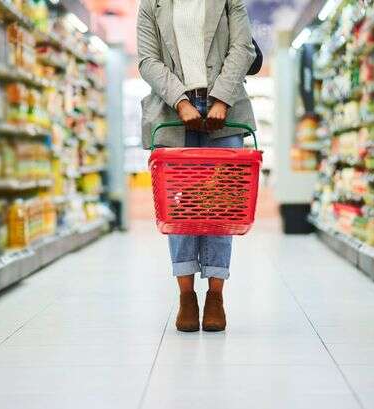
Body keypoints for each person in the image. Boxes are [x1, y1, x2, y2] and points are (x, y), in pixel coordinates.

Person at [137, 0, 257, 332]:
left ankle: (216, 295)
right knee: (181, 210)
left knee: (221, 208)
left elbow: (242, 47)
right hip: (172, 112)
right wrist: (180, 99)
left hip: (226, 111)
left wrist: (221, 98)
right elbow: (148, 60)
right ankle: (186, 296)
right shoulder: (152, 4)